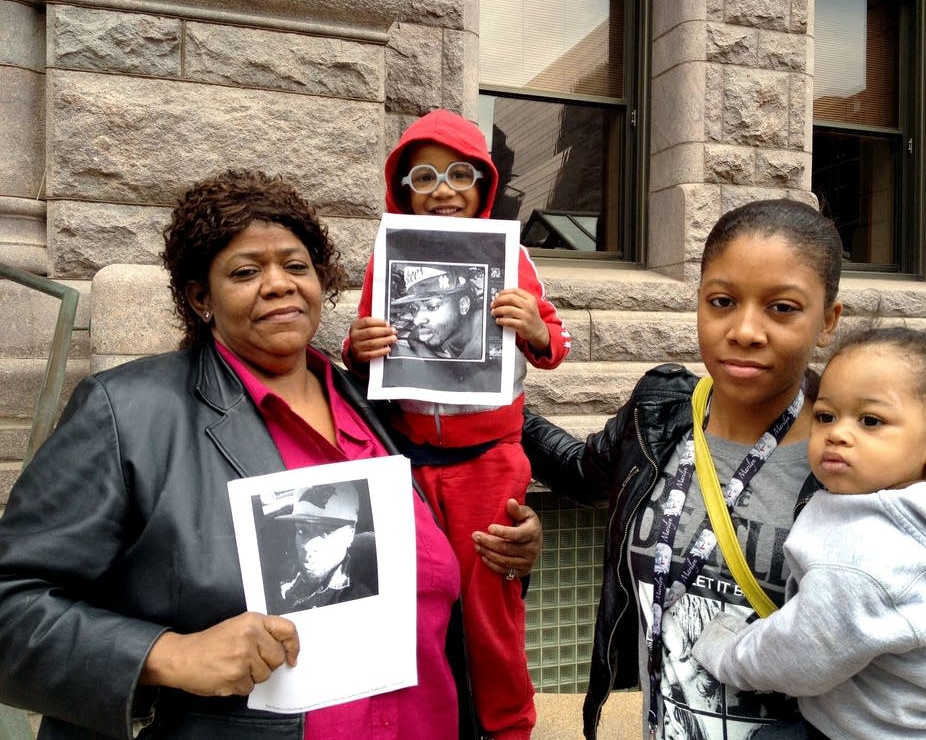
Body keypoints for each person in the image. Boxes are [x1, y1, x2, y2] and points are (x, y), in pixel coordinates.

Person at [0, 169, 542, 740]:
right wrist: (168, 656)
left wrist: (505, 550)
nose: (279, 284)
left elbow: (438, 587)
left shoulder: (377, 408)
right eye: (245, 271)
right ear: (199, 298)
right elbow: (12, 608)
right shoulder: (128, 414)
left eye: (296, 265)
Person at [522, 198, 845, 740]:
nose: (745, 330)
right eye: (722, 301)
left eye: (782, 308)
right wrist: (497, 411)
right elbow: (583, 473)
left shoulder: (855, 462)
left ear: (828, 321)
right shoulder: (661, 413)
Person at [343, 108, 572, 740]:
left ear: (484, 185)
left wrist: (532, 327)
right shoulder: (384, 261)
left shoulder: (513, 258)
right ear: (402, 189)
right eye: (423, 176)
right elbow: (359, 352)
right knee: (413, 607)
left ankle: (507, 730)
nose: (443, 190)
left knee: (490, 613)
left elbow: (555, 342)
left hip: (488, 462)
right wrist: (357, 344)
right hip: (407, 462)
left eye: (459, 174)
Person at [692, 326, 926, 739]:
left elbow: (801, 655)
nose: (837, 433)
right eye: (825, 416)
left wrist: (725, 648)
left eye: (870, 420)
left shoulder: (869, 554)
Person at [274, 483, 377, 613]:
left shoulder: (360, 599)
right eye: (301, 531)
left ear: (350, 535)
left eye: (326, 533)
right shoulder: (281, 569)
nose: (307, 546)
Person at [390, 265, 484, 359]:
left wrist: (422, 350)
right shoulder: (455, 334)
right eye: (414, 309)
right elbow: (414, 336)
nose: (416, 321)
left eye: (432, 307)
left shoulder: (484, 341)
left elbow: (455, 372)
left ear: (464, 305)